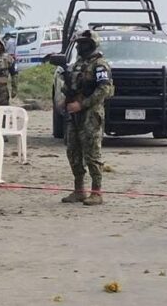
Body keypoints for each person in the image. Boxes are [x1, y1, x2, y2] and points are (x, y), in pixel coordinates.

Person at [60, 30, 114, 206]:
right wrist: (66, 101)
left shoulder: (100, 65)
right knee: (73, 152)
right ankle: (79, 190)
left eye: (83, 43)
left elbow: (104, 90)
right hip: (74, 113)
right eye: (79, 43)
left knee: (92, 153)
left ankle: (96, 192)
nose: (79, 46)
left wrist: (82, 105)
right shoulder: (78, 64)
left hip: (91, 113)